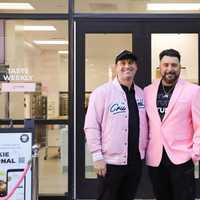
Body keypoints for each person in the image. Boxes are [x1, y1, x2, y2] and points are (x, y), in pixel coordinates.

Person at [84, 50, 148, 200]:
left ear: (136, 67)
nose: (127, 66)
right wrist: (97, 156)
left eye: (130, 63)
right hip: (110, 162)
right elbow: (91, 126)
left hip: (135, 161)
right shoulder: (101, 93)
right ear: (116, 67)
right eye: (123, 63)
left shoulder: (141, 94)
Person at [144, 48, 200, 200]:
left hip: (182, 157)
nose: (170, 69)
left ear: (180, 67)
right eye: (166, 65)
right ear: (160, 67)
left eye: (174, 65)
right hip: (156, 158)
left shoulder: (193, 91)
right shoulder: (147, 91)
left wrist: (194, 154)